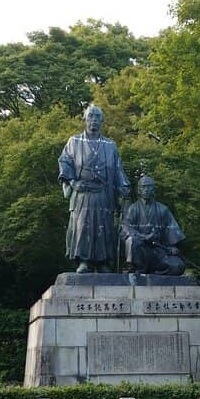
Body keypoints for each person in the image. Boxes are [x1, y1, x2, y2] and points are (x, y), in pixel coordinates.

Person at [58, 104, 131, 273]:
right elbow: (65, 162)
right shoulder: (74, 141)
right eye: (91, 116)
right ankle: (84, 261)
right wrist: (72, 182)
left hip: (104, 193)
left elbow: (118, 169)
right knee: (83, 225)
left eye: (97, 117)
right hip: (83, 192)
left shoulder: (110, 145)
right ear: (84, 119)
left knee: (104, 226)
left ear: (102, 121)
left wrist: (123, 186)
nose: (94, 120)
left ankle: (103, 262)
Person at [120, 175, 186, 276]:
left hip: (159, 251)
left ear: (153, 189)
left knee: (178, 266)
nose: (146, 190)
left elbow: (171, 230)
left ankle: (154, 273)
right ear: (139, 190)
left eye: (149, 187)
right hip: (141, 250)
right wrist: (144, 237)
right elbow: (126, 229)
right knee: (133, 241)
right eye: (143, 187)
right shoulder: (133, 209)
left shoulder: (163, 209)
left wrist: (172, 246)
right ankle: (138, 268)